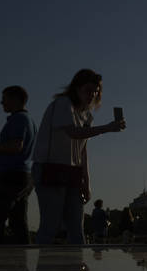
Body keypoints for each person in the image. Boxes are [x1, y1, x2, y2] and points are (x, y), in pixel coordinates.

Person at [32, 69, 125, 244]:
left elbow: (82, 150)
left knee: (76, 226)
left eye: (96, 91)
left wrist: (86, 182)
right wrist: (107, 128)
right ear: (76, 89)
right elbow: (74, 133)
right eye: (88, 90)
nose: (92, 95)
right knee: (51, 225)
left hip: (71, 172)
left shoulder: (86, 115)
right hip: (50, 168)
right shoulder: (63, 104)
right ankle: (45, 268)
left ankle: (76, 268)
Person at [0, 85, 37, 244]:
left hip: (11, 176)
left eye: (4, 99)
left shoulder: (18, 119)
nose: (2, 103)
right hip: (24, 176)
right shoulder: (29, 120)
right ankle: (21, 262)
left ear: (15, 100)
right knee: (18, 222)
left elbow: (16, 146)